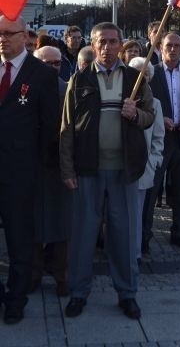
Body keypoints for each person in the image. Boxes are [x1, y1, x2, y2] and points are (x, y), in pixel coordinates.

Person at [59, 22, 154, 320]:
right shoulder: (80, 80)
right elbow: (66, 128)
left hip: (124, 170)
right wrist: (67, 168)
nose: (107, 47)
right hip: (88, 169)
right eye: (102, 41)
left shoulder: (135, 80)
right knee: (84, 234)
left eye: (113, 42)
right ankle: (78, 292)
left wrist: (135, 114)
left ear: (121, 44)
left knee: (124, 235)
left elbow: (150, 116)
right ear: (94, 43)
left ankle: (127, 294)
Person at [0, 16, 59, 324]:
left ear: (24, 36)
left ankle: (16, 297)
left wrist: (38, 168)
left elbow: (50, 129)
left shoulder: (41, 75)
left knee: (19, 239)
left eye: (9, 33)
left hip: (21, 173)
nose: (3, 39)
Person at [142, 33, 180, 252]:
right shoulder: (152, 73)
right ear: (160, 47)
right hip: (160, 141)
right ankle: (144, 236)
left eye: (177, 45)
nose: (173, 49)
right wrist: (161, 119)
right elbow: (145, 104)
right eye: (169, 45)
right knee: (152, 191)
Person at [31, 46, 71, 297]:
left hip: (60, 167)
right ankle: (33, 275)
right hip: (31, 167)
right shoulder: (21, 88)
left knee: (62, 225)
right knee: (32, 226)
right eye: (46, 62)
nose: (52, 67)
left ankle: (61, 276)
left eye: (56, 63)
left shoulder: (69, 90)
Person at [128, 57, 164, 263]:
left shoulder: (155, 104)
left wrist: (154, 161)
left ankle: (134, 254)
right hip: (119, 165)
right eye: (137, 73)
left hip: (142, 168)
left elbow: (159, 137)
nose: (142, 77)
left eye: (146, 74)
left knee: (136, 215)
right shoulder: (121, 97)